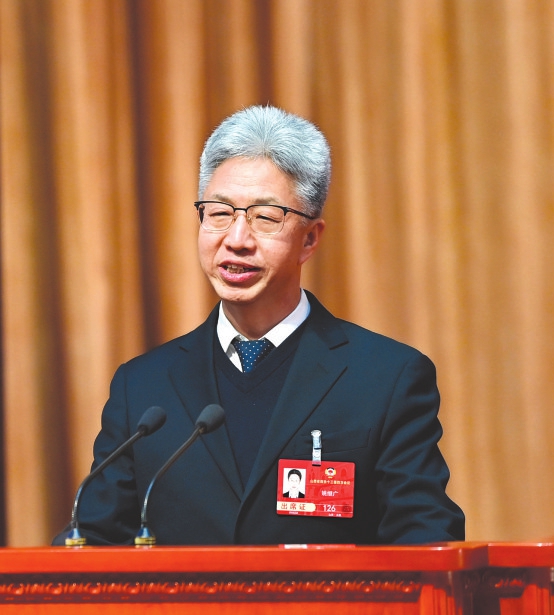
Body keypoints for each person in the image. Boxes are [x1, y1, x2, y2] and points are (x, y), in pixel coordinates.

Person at [53, 105, 464, 546]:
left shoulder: (386, 378)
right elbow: (92, 541)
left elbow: (425, 542)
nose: (236, 240)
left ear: (310, 239)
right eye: (219, 213)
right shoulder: (142, 388)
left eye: (265, 218)